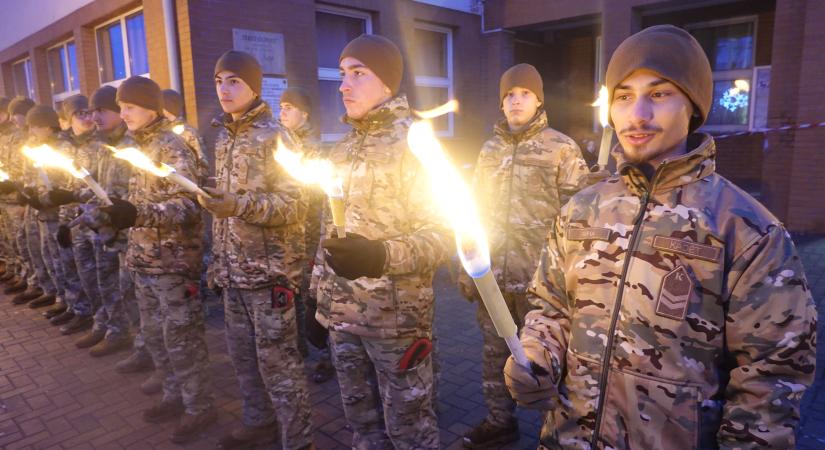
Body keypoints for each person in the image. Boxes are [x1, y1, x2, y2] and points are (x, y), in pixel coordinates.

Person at [503, 25, 818, 449]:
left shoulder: (746, 229)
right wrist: (538, 355)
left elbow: (772, 373)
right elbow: (552, 306)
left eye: (659, 93)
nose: (637, 116)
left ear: (693, 105)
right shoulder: (581, 210)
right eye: (624, 96)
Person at [314, 34, 452, 449]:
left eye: (358, 73)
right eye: (342, 74)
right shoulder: (340, 151)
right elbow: (328, 233)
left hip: (396, 321)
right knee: (362, 426)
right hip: (343, 315)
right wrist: (317, 300)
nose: (344, 85)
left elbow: (441, 235)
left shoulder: (417, 146)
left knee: (410, 430)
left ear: (388, 84)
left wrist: (379, 256)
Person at [459, 63, 597, 448]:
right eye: (508, 95)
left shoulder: (561, 148)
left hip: (543, 283)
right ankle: (499, 422)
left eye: (523, 93)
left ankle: (552, 432)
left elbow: (579, 215)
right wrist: (465, 268)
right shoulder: (489, 151)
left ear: (538, 100)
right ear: (502, 104)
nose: (515, 100)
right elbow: (472, 209)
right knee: (494, 355)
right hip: (494, 278)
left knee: (545, 360)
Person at [199, 51, 313, 450]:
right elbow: (225, 210)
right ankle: (258, 422)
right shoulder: (222, 136)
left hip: (269, 277)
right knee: (243, 359)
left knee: (280, 366)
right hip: (233, 275)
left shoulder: (276, 136)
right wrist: (216, 262)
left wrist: (239, 205)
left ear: (253, 87)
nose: (224, 89)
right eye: (218, 81)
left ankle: (298, 441)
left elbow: (297, 205)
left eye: (233, 81)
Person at [92, 75, 213, 443]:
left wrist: (139, 214)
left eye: (128, 107)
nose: (122, 113)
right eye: (121, 107)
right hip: (143, 261)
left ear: (149, 107)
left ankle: (199, 406)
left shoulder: (172, 147)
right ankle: (173, 395)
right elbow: (127, 201)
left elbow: (189, 206)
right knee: (156, 337)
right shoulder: (133, 147)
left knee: (182, 340)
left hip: (173, 265)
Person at [279, 86, 335, 382]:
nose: (283, 112)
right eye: (282, 106)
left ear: (305, 113)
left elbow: (316, 202)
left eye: (289, 107)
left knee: (318, 301)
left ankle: (328, 356)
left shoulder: (313, 150)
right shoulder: (281, 146)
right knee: (295, 299)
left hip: (310, 239)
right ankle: (299, 348)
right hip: (287, 242)